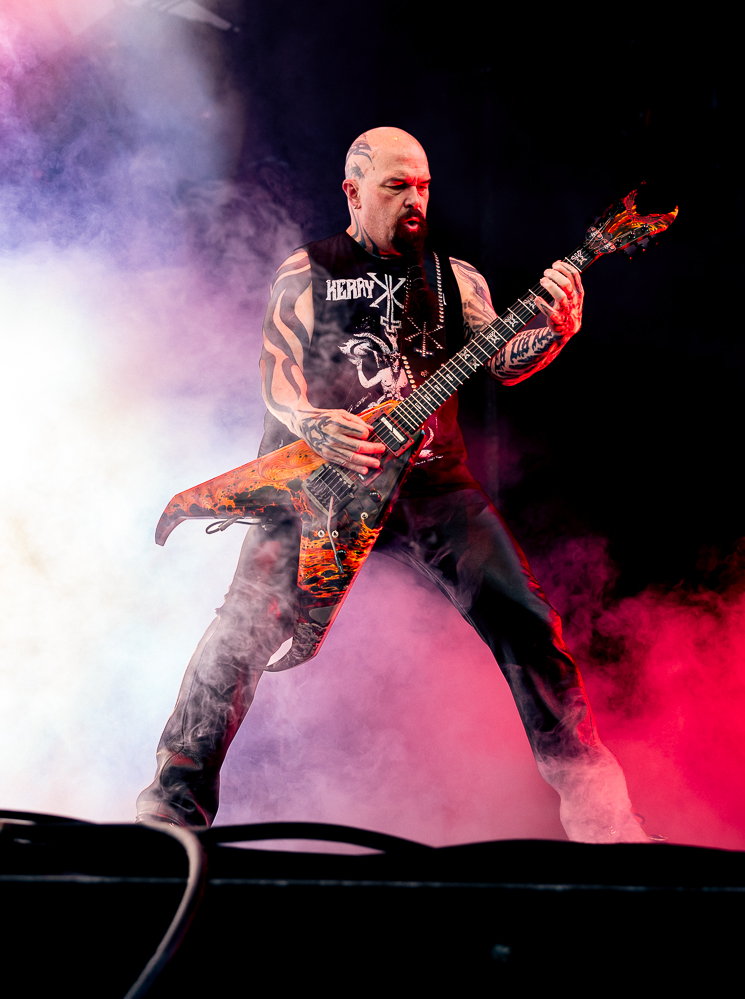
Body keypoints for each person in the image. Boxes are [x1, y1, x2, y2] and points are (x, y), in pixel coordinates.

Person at [137, 127, 651, 843]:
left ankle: (603, 816)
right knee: (242, 629)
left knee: (527, 620)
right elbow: (277, 375)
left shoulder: (456, 278)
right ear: (353, 192)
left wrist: (556, 331)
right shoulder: (307, 271)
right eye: (396, 186)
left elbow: (503, 363)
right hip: (321, 487)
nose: (415, 200)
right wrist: (313, 424)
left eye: (423, 187)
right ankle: (169, 811)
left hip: (433, 483)